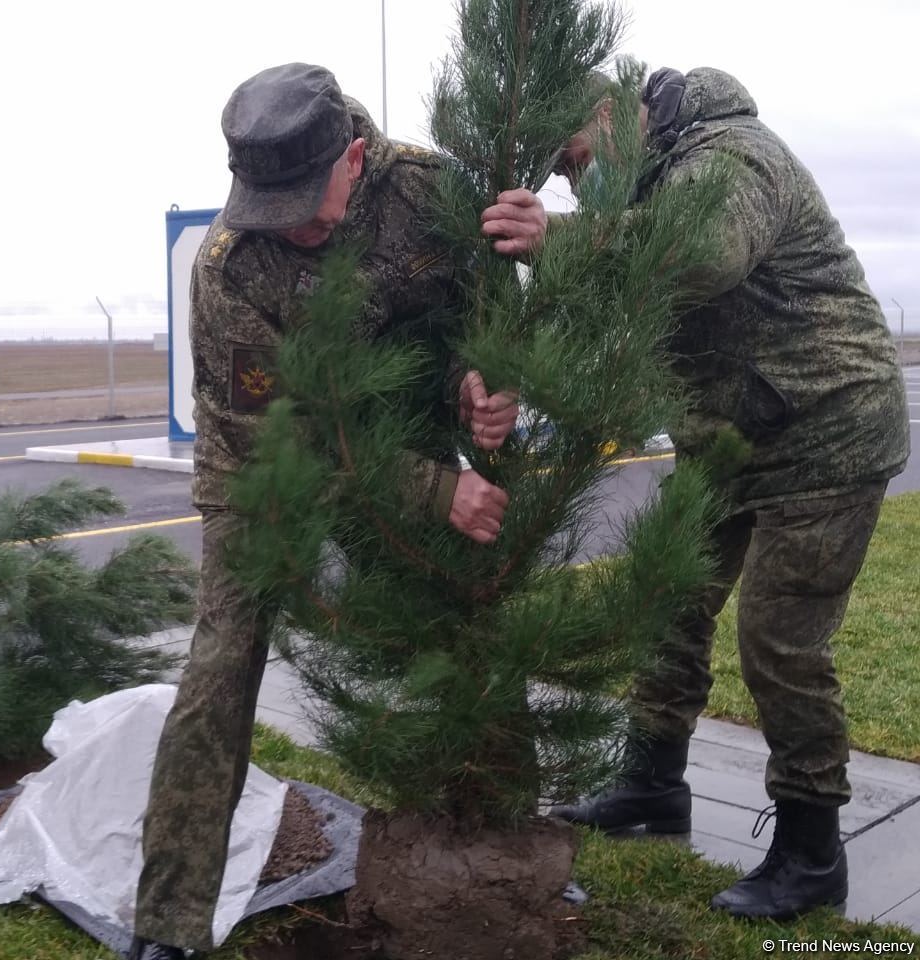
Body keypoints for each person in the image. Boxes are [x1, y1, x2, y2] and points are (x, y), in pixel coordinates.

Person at [129, 63, 543, 960]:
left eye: (308, 212)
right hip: (262, 468)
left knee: (465, 621)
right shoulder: (231, 265)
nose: (295, 232)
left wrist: (477, 385)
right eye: (272, 212)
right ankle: (168, 923)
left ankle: (508, 849)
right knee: (220, 666)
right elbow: (281, 438)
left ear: (353, 159)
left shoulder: (429, 193)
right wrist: (433, 489)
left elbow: (472, 324)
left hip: (406, 437)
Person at [545, 67, 910, 921]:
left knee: (779, 640)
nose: (575, 184)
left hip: (825, 429)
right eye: (563, 176)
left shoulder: (730, 155)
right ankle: (652, 783)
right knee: (668, 598)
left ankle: (811, 854)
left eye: (576, 160)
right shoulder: (652, 182)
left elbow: (703, 254)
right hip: (728, 438)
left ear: (612, 116)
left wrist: (559, 238)